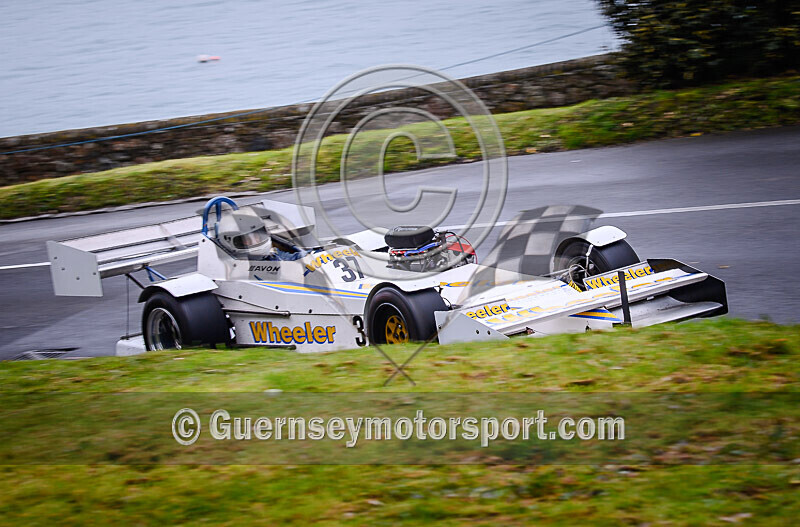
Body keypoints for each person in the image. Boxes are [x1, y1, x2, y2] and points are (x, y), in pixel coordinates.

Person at [215, 208, 305, 261]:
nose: (255, 241)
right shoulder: (235, 268)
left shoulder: (272, 254)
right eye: (247, 240)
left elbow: (295, 257)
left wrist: (309, 255)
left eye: (257, 236)